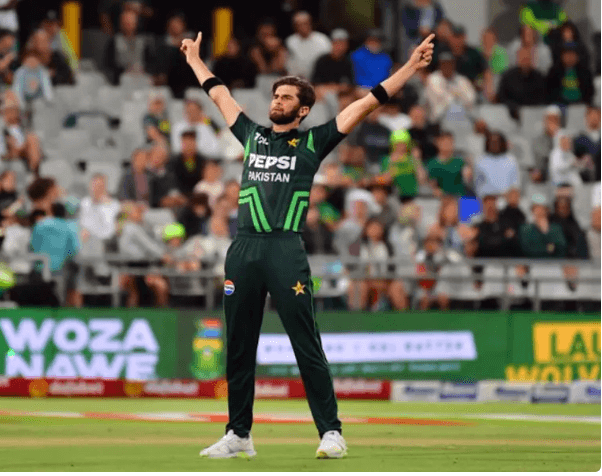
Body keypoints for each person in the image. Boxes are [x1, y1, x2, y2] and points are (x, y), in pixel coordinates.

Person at [180, 30, 434, 458]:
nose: (276, 101)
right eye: (275, 95)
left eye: (285, 98)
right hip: (242, 250)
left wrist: (409, 67)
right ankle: (238, 434)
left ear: (303, 109)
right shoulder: (253, 135)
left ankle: (331, 432)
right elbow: (219, 94)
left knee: (305, 343)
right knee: (239, 346)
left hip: (284, 250)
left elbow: (368, 101)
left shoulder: (314, 142)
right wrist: (193, 60)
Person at [118, 201, 172, 307]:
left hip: (140, 266)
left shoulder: (136, 227)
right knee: (156, 287)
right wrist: (163, 255)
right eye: (137, 212)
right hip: (134, 267)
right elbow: (148, 245)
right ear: (129, 214)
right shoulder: (131, 228)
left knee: (142, 292)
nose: (141, 215)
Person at [153, 13, 198, 98]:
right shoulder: (161, 45)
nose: (175, 26)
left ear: (183, 25)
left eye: (178, 23)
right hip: (168, 82)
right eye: (173, 24)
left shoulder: (192, 41)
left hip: (189, 81)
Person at [424, 51, 476, 123]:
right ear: (440, 65)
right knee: (453, 109)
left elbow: (471, 99)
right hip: (439, 119)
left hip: (462, 116)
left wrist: (454, 95)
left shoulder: (462, 80)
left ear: (454, 65)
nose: (447, 66)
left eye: (449, 63)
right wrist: (458, 93)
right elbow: (443, 99)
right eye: (444, 64)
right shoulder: (433, 79)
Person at [103, 9, 152, 85]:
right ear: (120, 23)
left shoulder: (144, 41)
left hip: (142, 78)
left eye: (131, 22)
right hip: (121, 80)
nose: (128, 24)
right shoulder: (113, 41)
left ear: (136, 23)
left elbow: (150, 63)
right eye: (125, 22)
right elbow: (108, 64)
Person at [496, 47, 546, 119]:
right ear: (517, 59)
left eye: (527, 58)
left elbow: (542, 97)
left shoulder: (539, 77)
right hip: (510, 114)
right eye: (522, 58)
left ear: (532, 60)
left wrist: (526, 109)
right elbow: (502, 96)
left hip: (533, 114)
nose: (524, 61)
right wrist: (514, 107)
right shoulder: (507, 76)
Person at [378, 129, 426, 202]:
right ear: (392, 145)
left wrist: (417, 161)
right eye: (397, 144)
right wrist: (392, 163)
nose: (400, 147)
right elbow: (385, 180)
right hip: (393, 196)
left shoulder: (412, 159)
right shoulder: (387, 160)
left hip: (413, 196)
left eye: (403, 144)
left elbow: (422, 180)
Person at [285, 11, 331, 79]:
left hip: (320, 81)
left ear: (310, 23)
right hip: (297, 80)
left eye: (305, 23)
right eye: (298, 24)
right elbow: (287, 63)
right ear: (294, 26)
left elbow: (329, 62)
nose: (302, 27)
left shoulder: (322, 40)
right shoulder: (290, 41)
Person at [474, 131, 520, 199]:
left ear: (502, 143)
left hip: (506, 200)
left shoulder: (511, 160)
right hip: (486, 200)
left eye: (497, 142)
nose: (494, 145)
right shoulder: (480, 160)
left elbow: (515, 184)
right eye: (492, 142)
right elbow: (477, 185)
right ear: (487, 143)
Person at [519, 193, 566, 258]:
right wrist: (549, 248)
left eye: (542, 208)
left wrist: (546, 231)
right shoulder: (525, 229)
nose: (539, 211)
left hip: (552, 264)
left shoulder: (556, 228)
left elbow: (561, 248)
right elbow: (527, 249)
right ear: (532, 210)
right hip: (533, 264)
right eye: (537, 208)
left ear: (547, 210)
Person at [311, 29, 355, 98]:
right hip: (324, 94)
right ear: (331, 44)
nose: (339, 47)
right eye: (336, 43)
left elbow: (349, 86)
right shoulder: (322, 60)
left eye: (342, 44)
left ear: (346, 46)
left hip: (341, 95)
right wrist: (332, 88)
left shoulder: (348, 61)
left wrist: (336, 88)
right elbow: (316, 84)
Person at [427, 131, 468, 197]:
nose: (447, 145)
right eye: (444, 142)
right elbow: (432, 184)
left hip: (459, 198)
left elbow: (467, 177)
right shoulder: (432, 164)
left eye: (450, 142)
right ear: (438, 143)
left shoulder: (460, 162)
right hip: (442, 199)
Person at [169, 130, 207, 196]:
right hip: (180, 196)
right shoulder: (173, 161)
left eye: (191, 143)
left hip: (200, 196)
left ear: (195, 143)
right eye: (186, 143)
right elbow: (172, 182)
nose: (188, 146)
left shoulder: (204, 161)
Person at [532, 105, 562, 183]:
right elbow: (542, 159)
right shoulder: (538, 140)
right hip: (545, 174)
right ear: (545, 121)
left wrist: (556, 136)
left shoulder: (564, 137)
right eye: (549, 119)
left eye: (555, 120)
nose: (552, 123)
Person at [573, 106, 601, 182]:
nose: (594, 118)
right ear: (586, 117)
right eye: (591, 115)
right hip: (585, 182)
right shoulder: (579, 140)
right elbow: (574, 161)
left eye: (597, 115)